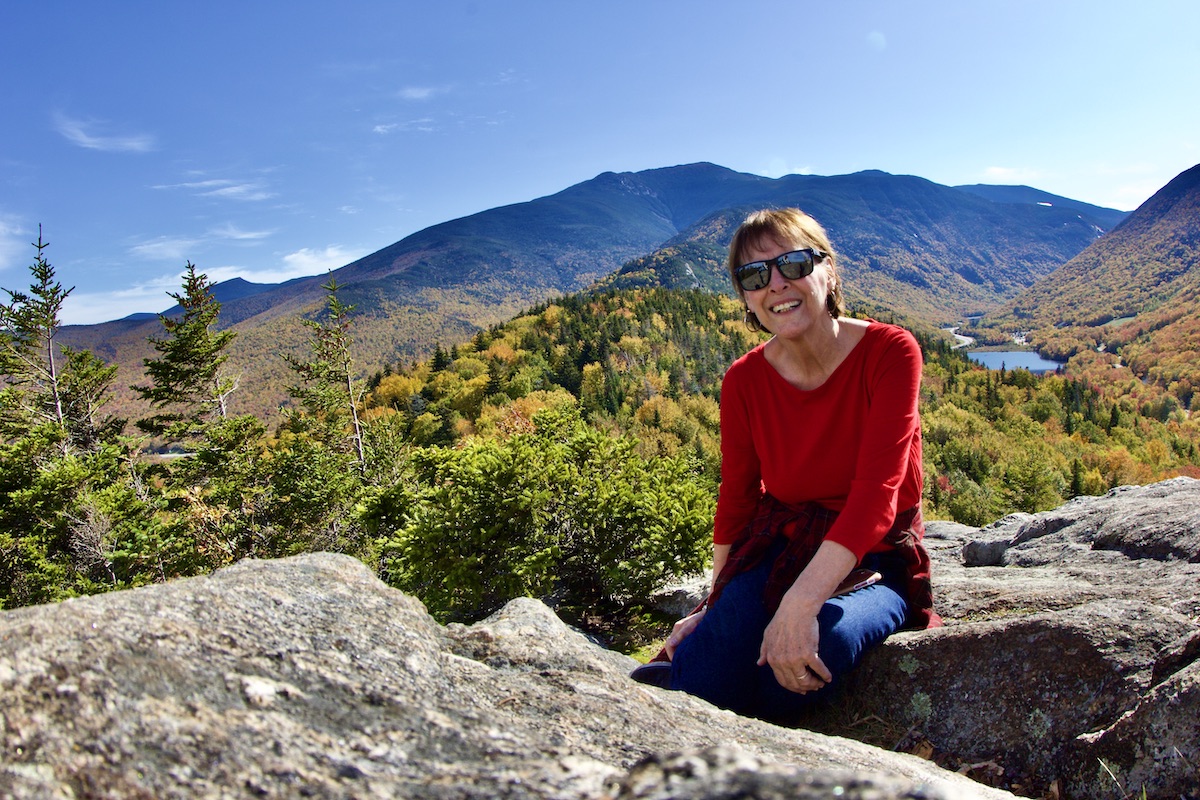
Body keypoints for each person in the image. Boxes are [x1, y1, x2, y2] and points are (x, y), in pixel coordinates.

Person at [631, 208, 938, 723]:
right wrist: (715, 602)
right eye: (754, 275)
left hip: (877, 560)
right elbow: (737, 501)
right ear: (747, 297)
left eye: (792, 264)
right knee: (707, 677)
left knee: (811, 657)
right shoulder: (744, 381)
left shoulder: (889, 352)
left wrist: (799, 607)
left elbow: (876, 499)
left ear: (829, 271)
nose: (775, 284)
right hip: (782, 547)